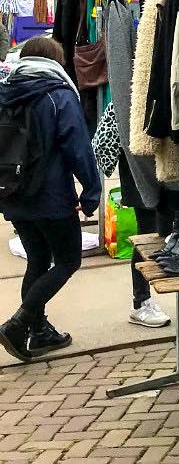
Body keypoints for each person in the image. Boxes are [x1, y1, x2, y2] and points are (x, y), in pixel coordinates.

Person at [0, 37, 100, 361]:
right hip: (51, 195)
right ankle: (19, 324)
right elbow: (78, 147)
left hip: (14, 194)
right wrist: (91, 190)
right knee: (68, 260)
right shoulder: (58, 95)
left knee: (38, 260)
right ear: (56, 62)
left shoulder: (6, 92)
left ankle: (39, 332)